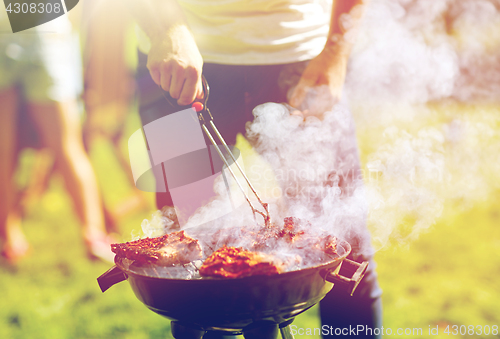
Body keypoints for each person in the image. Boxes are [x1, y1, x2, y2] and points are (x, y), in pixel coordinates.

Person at [131, 0, 382, 337]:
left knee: (345, 250)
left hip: (300, 59)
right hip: (180, 62)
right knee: (191, 250)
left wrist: (335, 51)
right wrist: (165, 28)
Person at [0, 12, 113, 263]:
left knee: (65, 144)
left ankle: (93, 234)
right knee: (58, 144)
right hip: (42, 32)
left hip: (45, 32)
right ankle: (9, 237)